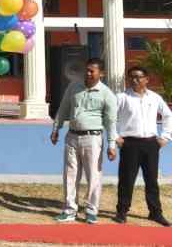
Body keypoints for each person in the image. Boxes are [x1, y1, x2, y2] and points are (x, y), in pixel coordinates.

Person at [51, 57, 117, 224]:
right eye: (86, 70)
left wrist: (111, 144)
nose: (87, 73)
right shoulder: (73, 87)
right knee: (70, 174)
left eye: (91, 71)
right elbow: (63, 108)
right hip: (72, 137)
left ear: (101, 73)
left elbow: (111, 122)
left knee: (93, 175)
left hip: (93, 139)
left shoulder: (107, 94)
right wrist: (56, 129)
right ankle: (69, 210)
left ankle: (91, 211)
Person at [114, 65, 172, 226]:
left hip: (151, 144)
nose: (135, 80)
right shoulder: (122, 97)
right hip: (130, 144)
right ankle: (122, 211)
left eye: (138, 77)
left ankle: (155, 213)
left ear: (146, 79)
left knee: (152, 180)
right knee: (126, 180)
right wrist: (115, 136)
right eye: (132, 77)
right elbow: (109, 117)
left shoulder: (154, 98)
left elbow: (168, 115)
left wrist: (165, 137)